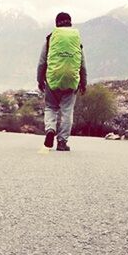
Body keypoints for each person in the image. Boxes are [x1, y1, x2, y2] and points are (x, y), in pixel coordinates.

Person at [37, 12, 87, 151]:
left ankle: (50, 130)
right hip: (71, 81)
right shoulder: (76, 41)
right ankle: (62, 142)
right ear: (70, 23)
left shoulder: (50, 39)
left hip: (52, 80)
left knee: (50, 107)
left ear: (56, 24)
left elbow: (42, 63)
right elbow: (82, 65)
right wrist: (83, 83)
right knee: (67, 111)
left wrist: (40, 80)